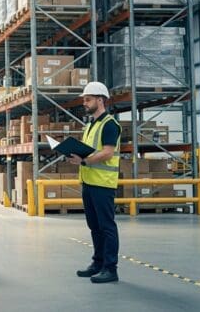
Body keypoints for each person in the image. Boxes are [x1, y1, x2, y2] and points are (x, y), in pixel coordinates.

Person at [67, 81, 121, 284]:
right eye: (84, 99)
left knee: (107, 227)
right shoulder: (90, 124)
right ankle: (98, 264)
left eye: (88, 99)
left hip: (103, 183)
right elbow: (88, 150)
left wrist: (84, 160)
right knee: (94, 226)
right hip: (89, 182)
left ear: (100, 100)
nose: (85, 103)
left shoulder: (110, 124)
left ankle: (110, 268)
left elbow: (107, 153)